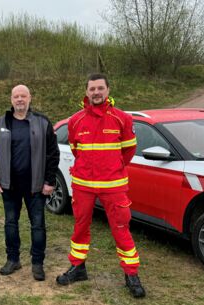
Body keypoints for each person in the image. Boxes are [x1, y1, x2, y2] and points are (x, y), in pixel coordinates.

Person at [55, 73, 145, 298]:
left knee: (121, 229)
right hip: (83, 186)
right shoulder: (75, 120)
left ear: (108, 90)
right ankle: (78, 268)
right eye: (92, 89)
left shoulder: (122, 118)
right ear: (86, 92)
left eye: (100, 88)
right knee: (80, 227)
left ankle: (131, 275)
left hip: (113, 186)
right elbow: (77, 150)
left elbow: (129, 151)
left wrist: (113, 168)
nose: (96, 92)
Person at [0, 84, 60, 281]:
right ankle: (13, 259)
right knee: (11, 223)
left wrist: (49, 181)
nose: (19, 99)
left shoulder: (42, 122)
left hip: (36, 186)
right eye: (16, 96)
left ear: (29, 98)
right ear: (11, 100)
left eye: (23, 96)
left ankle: (37, 263)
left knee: (37, 225)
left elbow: (53, 154)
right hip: (9, 186)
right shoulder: (1, 122)